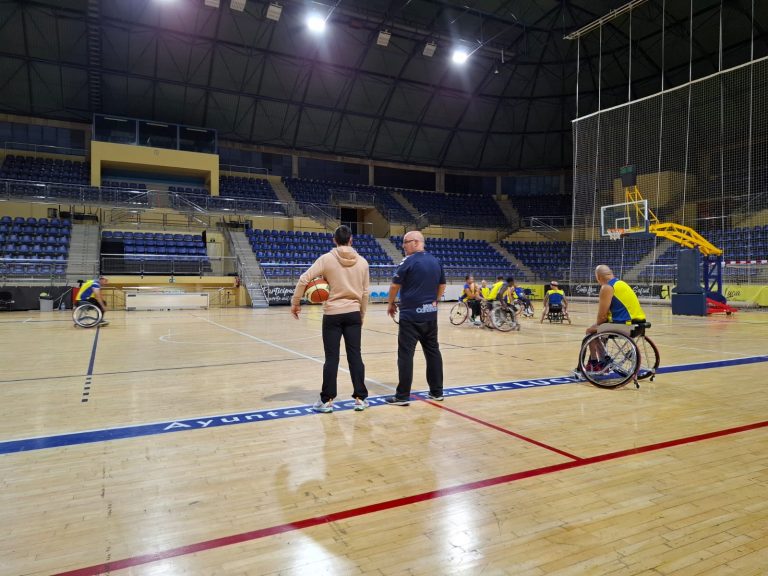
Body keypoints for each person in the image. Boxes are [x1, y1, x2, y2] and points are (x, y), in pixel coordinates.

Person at [291, 225, 370, 413]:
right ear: (351, 240)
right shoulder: (363, 262)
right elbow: (365, 293)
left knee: (331, 358)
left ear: (334, 240)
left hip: (332, 315)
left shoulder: (326, 259)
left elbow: (304, 279)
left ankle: (326, 401)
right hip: (353, 313)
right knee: (355, 356)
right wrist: (361, 314)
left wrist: (296, 302)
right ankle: (360, 398)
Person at [385, 231, 446, 406]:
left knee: (405, 355)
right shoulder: (435, 261)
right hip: (430, 315)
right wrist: (435, 301)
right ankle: (437, 392)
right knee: (433, 352)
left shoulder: (408, 261)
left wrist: (390, 303)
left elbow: (395, 285)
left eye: (406, 242)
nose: (403, 245)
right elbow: (442, 285)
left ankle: (402, 396)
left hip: (410, 317)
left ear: (417, 242)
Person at [584, 265, 646, 370]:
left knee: (590, 331)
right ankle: (602, 362)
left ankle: (595, 363)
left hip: (626, 326)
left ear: (598, 277)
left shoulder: (607, 287)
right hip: (639, 326)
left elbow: (602, 317)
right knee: (602, 329)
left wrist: (598, 325)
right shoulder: (622, 283)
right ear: (611, 273)